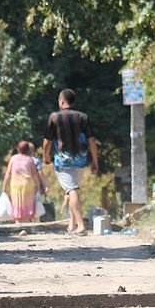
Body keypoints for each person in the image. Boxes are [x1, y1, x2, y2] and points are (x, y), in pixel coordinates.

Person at [42, 88, 98, 234]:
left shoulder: (54, 117)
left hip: (63, 162)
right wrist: (95, 162)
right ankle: (72, 226)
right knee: (73, 191)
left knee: (72, 190)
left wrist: (45, 157)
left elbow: (47, 141)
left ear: (61, 101)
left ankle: (81, 226)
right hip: (81, 160)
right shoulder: (83, 117)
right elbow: (92, 140)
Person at [2, 141, 46, 222]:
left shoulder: (13, 159)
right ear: (28, 150)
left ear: (18, 149)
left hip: (16, 185)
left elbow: (8, 173)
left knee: (17, 202)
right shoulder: (30, 160)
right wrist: (38, 186)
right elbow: (35, 175)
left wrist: (4, 186)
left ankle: (18, 220)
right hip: (28, 184)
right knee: (29, 202)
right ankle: (30, 219)